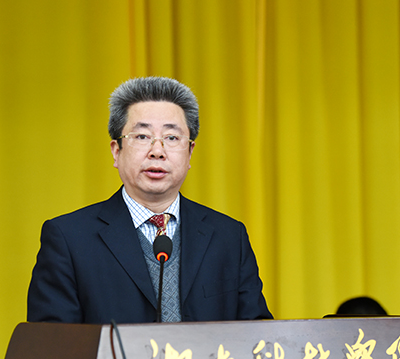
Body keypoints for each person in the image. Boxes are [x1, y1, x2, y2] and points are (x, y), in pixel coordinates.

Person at [27, 77, 273, 324]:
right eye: (142, 136)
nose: (157, 151)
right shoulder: (69, 239)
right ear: (116, 151)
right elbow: (52, 342)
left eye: (172, 138)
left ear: (190, 153)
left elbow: (257, 335)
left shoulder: (228, 236)